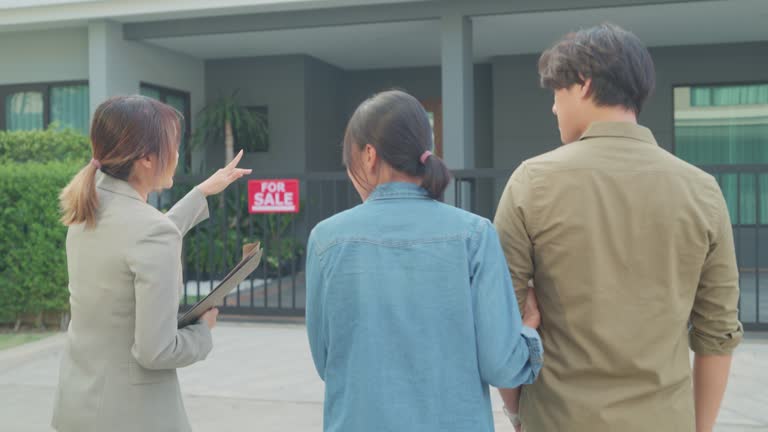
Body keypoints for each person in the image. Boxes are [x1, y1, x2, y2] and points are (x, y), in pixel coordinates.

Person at [494, 24, 743, 432]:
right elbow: (717, 333)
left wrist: (519, 413)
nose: (553, 108)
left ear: (583, 83)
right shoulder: (703, 191)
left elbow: (503, 318)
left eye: (556, 93)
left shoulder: (531, 182)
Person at [305, 89, 543, 432]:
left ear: (369, 155)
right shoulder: (474, 235)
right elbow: (501, 366)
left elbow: (326, 363)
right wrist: (528, 333)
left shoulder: (326, 240)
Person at [52, 95, 251, 432]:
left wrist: (200, 193)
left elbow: (141, 238)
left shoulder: (86, 210)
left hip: (79, 407)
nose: (176, 155)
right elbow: (156, 352)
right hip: (133, 416)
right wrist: (203, 331)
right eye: (173, 146)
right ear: (146, 157)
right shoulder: (150, 232)